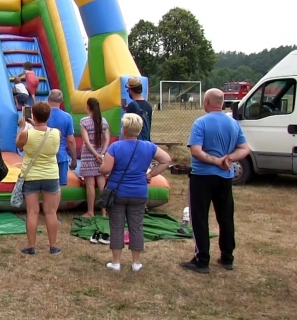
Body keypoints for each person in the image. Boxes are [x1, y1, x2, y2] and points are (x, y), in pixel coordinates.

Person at [180, 88, 250, 274]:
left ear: (208, 101)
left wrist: (216, 160)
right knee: (225, 217)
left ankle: (202, 259)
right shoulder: (233, 124)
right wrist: (230, 158)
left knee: (200, 217)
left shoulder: (200, 123)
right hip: (225, 177)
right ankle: (227, 257)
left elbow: (196, 150)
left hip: (202, 176)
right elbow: (245, 148)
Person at [100, 113, 171, 272]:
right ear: (139, 130)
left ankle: (116, 262)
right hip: (139, 191)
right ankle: (136, 262)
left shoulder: (115, 147)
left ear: (124, 129)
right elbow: (166, 160)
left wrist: (101, 165)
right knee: (136, 226)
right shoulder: (149, 147)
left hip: (117, 192)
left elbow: (106, 169)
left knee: (117, 226)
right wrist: (151, 174)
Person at [16, 101, 62, 255]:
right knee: (50, 212)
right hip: (51, 174)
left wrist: (23, 126)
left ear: (33, 116)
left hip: (31, 176)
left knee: (32, 212)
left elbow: (19, 145)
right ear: (48, 116)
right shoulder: (56, 133)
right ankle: (53, 245)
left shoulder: (26, 133)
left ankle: (31, 245)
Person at [79, 98, 111, 218]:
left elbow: (86, 141)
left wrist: (94, 154)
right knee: (102, 184)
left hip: (88, 154)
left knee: (90, 185)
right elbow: (107, 138)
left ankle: (90, 211)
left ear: (88, 107)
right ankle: (104, 211)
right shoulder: (103, 121)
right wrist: (101, 154)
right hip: (100, 154)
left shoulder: (84, 122)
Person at [45, 89, 77, 186]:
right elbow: (70, 140)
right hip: (61, 155)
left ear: (48, 99)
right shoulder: (67, 117)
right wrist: (74, 159)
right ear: (61, 100)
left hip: (44, 155)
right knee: (59, 186)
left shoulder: (42, 115)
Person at [124, 77, 153, 142]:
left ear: (131, 90)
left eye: (128, 90)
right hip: (146, 142)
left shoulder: (131, 106)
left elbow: (128, 129)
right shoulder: (149, 106)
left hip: (135, 143)